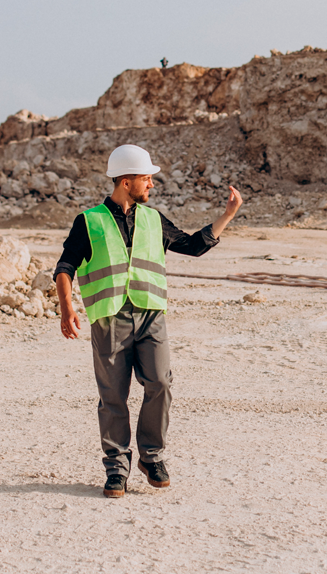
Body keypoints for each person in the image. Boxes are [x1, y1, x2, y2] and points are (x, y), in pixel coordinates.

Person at [54, 144, 242, 498]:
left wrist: (227, 215)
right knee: (113, 396)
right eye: (146, 178)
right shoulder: (90, 221)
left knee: (160, 383)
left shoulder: (154, 219)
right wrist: (67, 307)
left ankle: (151, 457)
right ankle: (117, 468)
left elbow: (192, 245)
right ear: (126, 182)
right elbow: (65, 267)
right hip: (109, 319)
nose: (152, 184)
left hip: (150, 315)